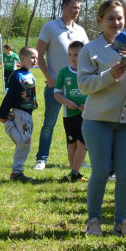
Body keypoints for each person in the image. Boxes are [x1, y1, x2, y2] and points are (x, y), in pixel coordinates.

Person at [78, 0, 126, 237]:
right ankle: (94, 221)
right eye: (111, 18)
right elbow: (84, 86)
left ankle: (122, 222)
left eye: (120, 18)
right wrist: (110, 75)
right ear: (100, 20)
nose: (116, 23)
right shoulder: (91, 49)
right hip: (97, 121)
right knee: (101, 171)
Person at [34, 0, 89, 171]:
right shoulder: (50, 27)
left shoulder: (80, 31)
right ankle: (42, 159)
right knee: (49, 124)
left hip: (78, 89)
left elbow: (87, 56)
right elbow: (38, 54)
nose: (76, 11)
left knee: (77, 126)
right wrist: (49, 77)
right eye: (73, 7)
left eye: (79, 8)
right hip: (55, 87)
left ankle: (77, 161)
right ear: (64, 7)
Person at [0, 46, 39, 183]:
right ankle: (8, 123)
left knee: (26, 143)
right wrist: (3, 112)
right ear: (22, 58)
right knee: (25, 142)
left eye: (36, 58)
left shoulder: (29, 74)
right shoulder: (18, 75)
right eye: (32, 57)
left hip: (28, 113)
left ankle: (17, 172)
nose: (35, 60)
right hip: (21, 112)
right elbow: (11, 95)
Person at [53, 40, 88, 183]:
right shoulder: (64, 72)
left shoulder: (88, 72)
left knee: (83, 144)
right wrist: (69, 103)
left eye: (77, 55)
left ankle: (74, 172)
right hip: (70, 114)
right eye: (70, 54)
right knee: (72, 143)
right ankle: (75, 172)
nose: (73, 58)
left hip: (87, 114)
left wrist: (88, 104)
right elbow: (57, 93)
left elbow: (95, 91)